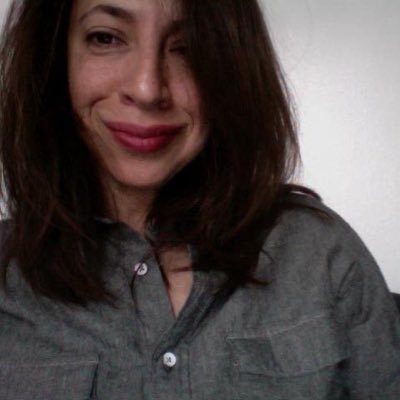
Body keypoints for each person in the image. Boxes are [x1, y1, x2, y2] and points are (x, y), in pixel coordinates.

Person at [0, 0, 399, 399]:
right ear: (55, 58)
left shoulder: (321, 254)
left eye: (188, 47)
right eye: (106, 38)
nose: (147, 89)